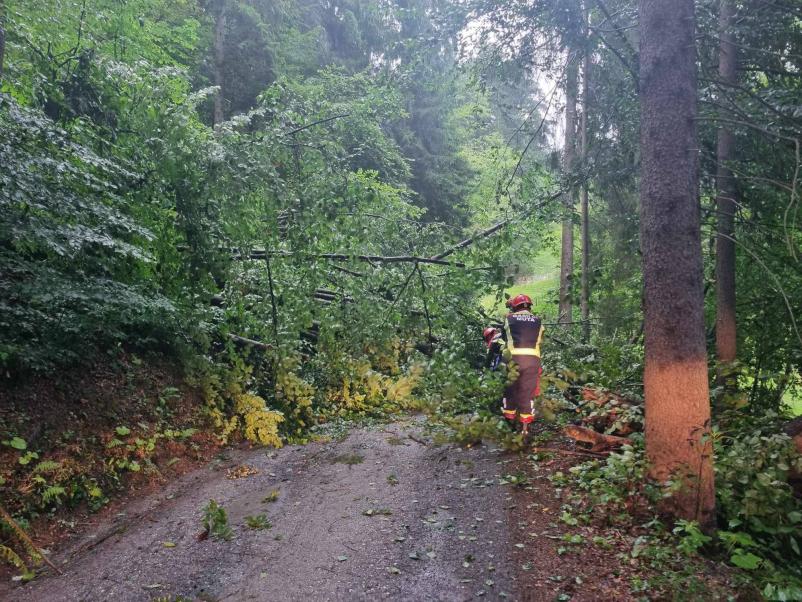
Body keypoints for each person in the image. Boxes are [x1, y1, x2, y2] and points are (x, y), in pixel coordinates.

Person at [499, 294, 544, 438]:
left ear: (515, 306)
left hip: (514, 359)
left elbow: (504, 338)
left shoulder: (509, 318)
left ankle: (509, 424)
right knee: (527, 392)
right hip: (532, 360)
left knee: (511, 390)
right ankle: (525, 429)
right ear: (529, 306)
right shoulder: (538, 321)